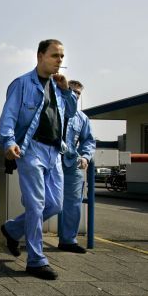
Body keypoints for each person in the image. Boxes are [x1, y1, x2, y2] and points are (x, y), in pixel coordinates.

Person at [0, 39, 77, 280]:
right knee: (36, 205)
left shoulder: (58, 87)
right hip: (31, 149)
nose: (59, 61)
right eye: (55, 55)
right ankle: (36, 260)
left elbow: (71, 114)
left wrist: (66, 91)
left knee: (55, 204)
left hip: (54, 152)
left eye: (62, 56)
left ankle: (12, 229)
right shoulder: (22, 83)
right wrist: (9, 142)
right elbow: (8, 117)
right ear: (40, 56)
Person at [59, 80, 95, 253]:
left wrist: (86, 156)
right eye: (71, 91)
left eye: (78, 93)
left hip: (72, 162)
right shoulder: (52, 110)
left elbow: (89, 140)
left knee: (74, 202)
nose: (74, 95)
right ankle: (24, 234)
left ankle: (68, 240)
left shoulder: (82, 118)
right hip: (51, 160)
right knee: (43, 201)